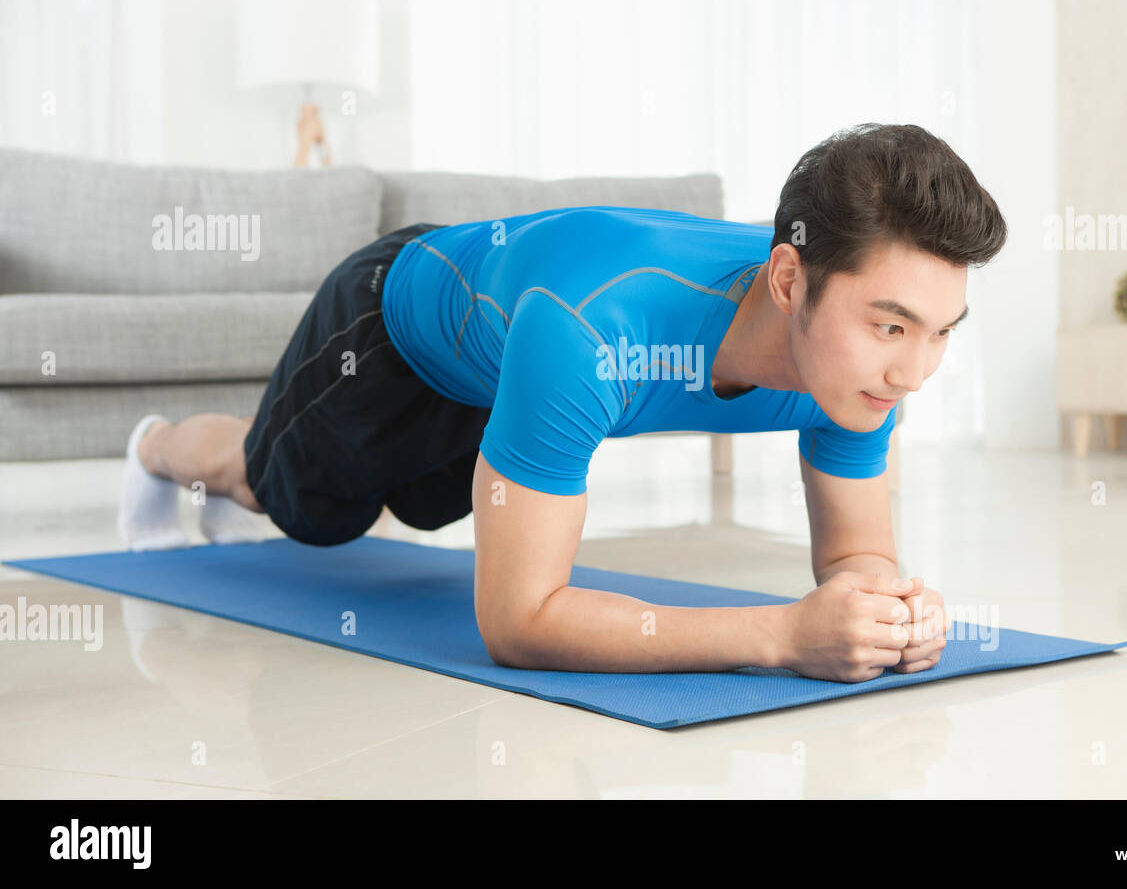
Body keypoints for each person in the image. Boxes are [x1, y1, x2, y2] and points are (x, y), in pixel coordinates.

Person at [118, 121, 1006, 683]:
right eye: (892, 327)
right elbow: (518, 623)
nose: (914, 372)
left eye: (941, 332)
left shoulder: (859, 372)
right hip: (390, 333)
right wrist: (780, 636)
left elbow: (854, 553)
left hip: (509, 369)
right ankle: (160, 449)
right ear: (787, 282)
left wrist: (884, 611)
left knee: (422, 506)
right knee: (296, 505)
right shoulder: (594, 329)